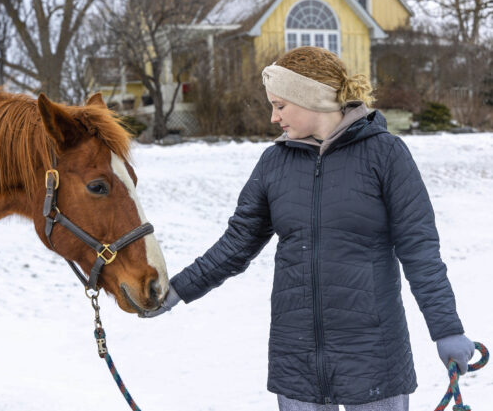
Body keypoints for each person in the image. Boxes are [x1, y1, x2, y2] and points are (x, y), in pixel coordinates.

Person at [141, 46, 475, 410]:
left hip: (373, 356)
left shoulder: (386, 155)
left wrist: (447, 329)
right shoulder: (274, 163)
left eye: (280, 105)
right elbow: (235, 244)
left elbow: (420, 250)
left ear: (312, 98)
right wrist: (174, 292)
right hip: (297, 361)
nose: (273, 117)